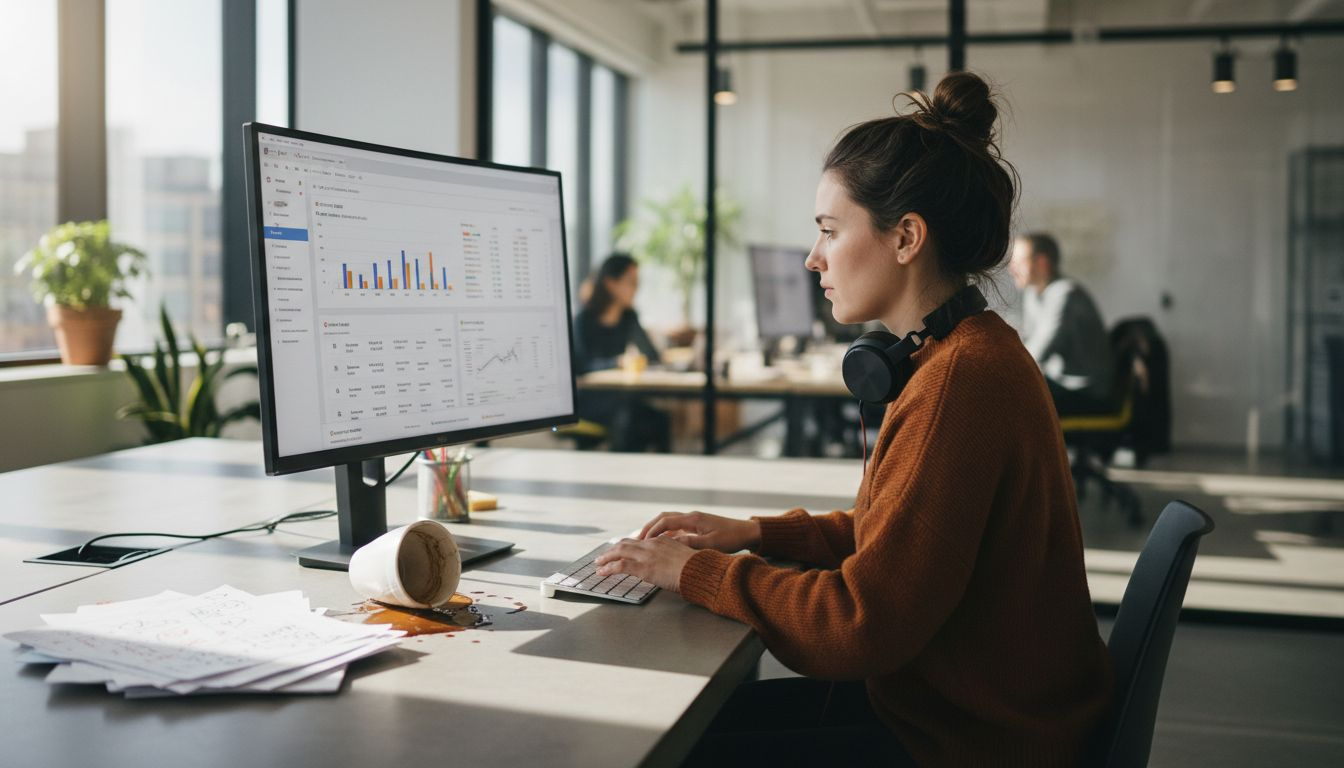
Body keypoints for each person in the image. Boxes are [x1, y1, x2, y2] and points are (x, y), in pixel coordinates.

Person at [594, 72, 1113, 767]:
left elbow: (857, 625)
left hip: (968, 743)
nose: (814, 259)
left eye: (830, 232)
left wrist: (698, 572)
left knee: (665, 745)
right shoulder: (965, 355)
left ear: (906, 238)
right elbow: (898, 541)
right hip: (959, 717)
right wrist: (754, 532)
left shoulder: (960, 382)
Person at [572, 254, 670, 452]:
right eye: (631, 282)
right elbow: (582, 367)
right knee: (628, 418)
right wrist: (617, 362)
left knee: (659, 419)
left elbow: (652, 356)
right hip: (589, 401)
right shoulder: (583, 320)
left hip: (619, 398)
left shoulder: (628, 317)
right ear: (610, 283)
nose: (636, 288)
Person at [1009, 232, 1114, 416]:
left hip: (1084, 391)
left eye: (1018, 262)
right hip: (1059, 383)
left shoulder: (1064, 294)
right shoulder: (1032, 293)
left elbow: (1036, 353)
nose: (1011, 269)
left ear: (1042, 263)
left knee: (1009, 401)